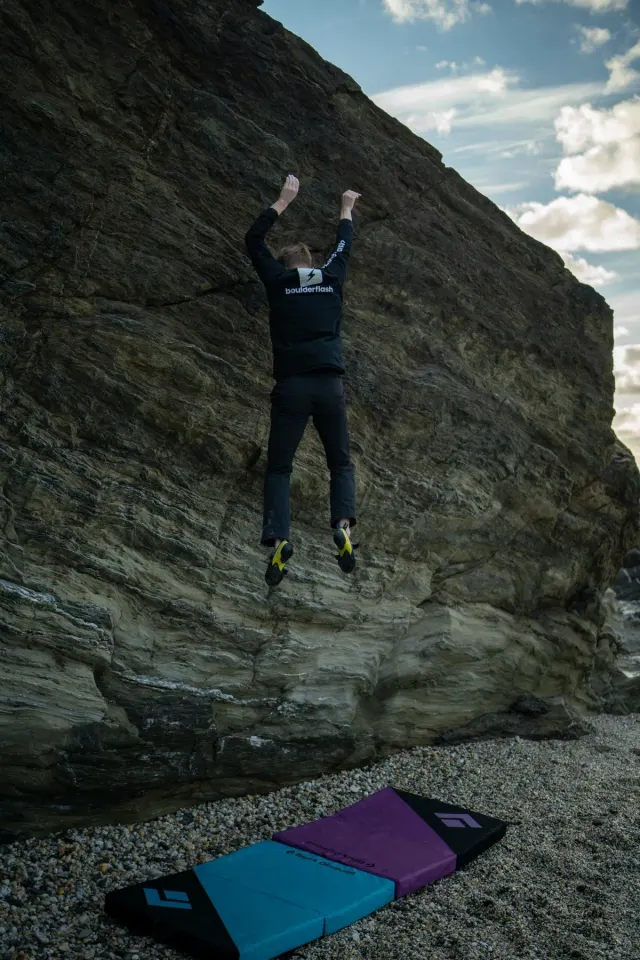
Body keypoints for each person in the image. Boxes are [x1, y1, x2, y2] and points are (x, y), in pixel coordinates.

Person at [245, 174, 361, 586]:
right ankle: (344, 527)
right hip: (330, 388)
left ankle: (279, 540)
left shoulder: (277, 283)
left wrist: (282, 201)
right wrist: (345, 209)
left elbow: (252, 241)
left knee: (280, 468)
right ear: (312, 262)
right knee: (340, 462)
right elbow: (344, 244)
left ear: (284, 265)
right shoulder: (330, 279)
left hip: (292, 388)